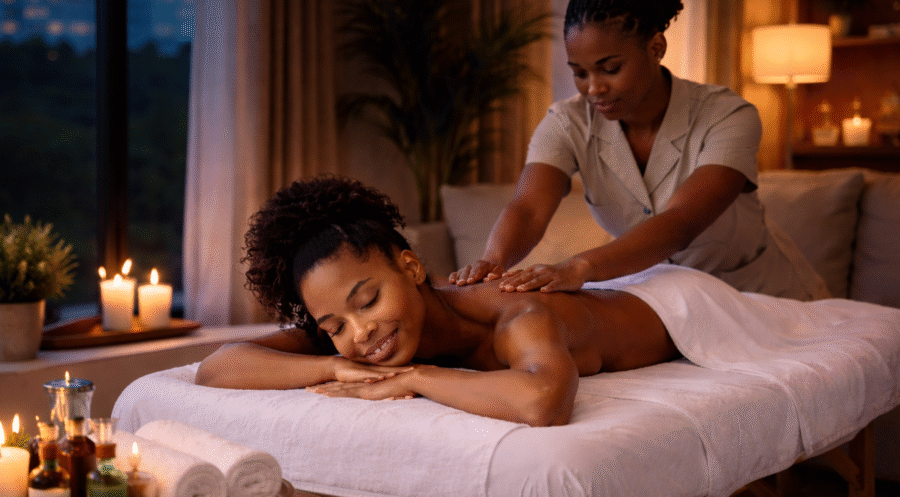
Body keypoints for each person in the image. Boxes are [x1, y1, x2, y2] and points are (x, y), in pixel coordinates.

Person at [195, 175, 680, 427]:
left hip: (675, 305)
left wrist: (414, 377)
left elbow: (543, 404)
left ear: (410, 268)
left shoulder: (516, 313)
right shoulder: (368, 336)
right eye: (334, 327)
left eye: (367, 300)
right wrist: (332, 367)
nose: (358, 331)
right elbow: (218, 367)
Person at [448, 0, 828, 301]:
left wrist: (578, 267)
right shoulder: (568, 122)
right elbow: (529, 207)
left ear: (656, 47)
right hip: (672, 304)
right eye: (580, 73)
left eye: (609, 68)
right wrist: (492, 262)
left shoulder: (727, 115)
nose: (593, 88)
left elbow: (680, 223)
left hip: (766, 299)